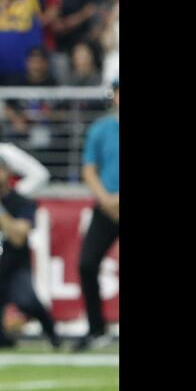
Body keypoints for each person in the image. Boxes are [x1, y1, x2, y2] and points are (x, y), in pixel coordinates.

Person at [0, 154, 60, 349]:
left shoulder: (21, 202)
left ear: (8, 173)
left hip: (14, 269)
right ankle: (5, 339)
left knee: (28, 302)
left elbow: (18, 237)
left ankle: (51, 331)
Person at [75, 79, 119, 351]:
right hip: (106, 207)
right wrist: (106, 199)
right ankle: (96, 329)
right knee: (86, 264)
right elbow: (89, 168)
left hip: (112, 202)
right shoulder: (101, 128)